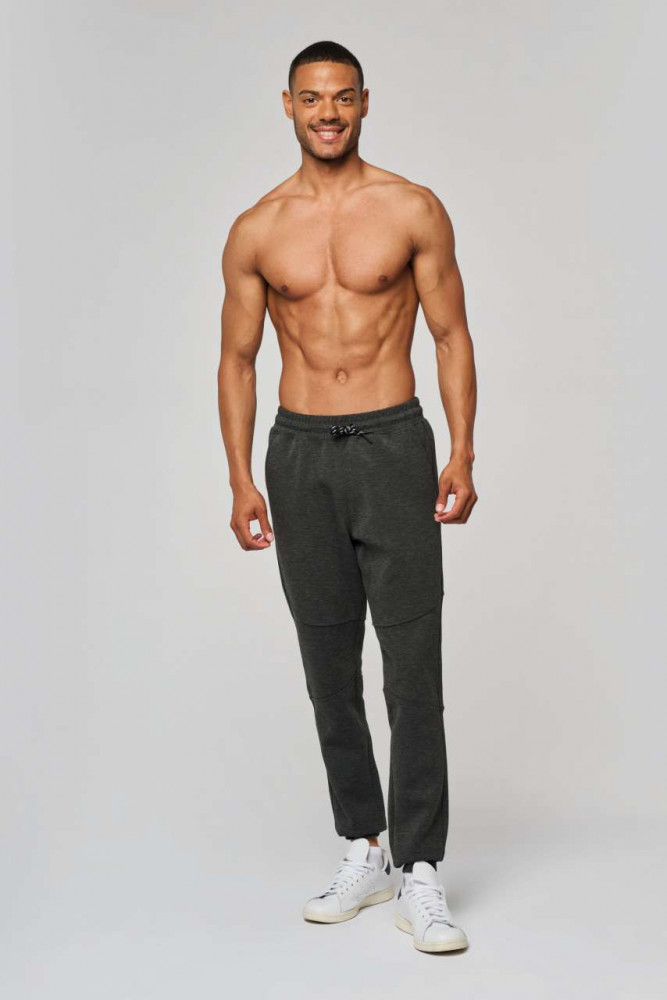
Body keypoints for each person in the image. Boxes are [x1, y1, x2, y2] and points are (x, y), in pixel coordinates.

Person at [217, 40, 478, 954]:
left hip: (392, 444)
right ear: (287, 105)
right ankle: (363, 847)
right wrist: (240, 475)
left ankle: (421, 869)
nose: (326, 113)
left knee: (411, 667)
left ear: (363, 102)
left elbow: (449, 334)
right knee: (327, 664)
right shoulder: (257, 228)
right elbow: (237, 359)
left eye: (340, 98)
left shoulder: (410, 208)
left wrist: (462, 450)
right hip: (298, 453)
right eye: (310, 98)